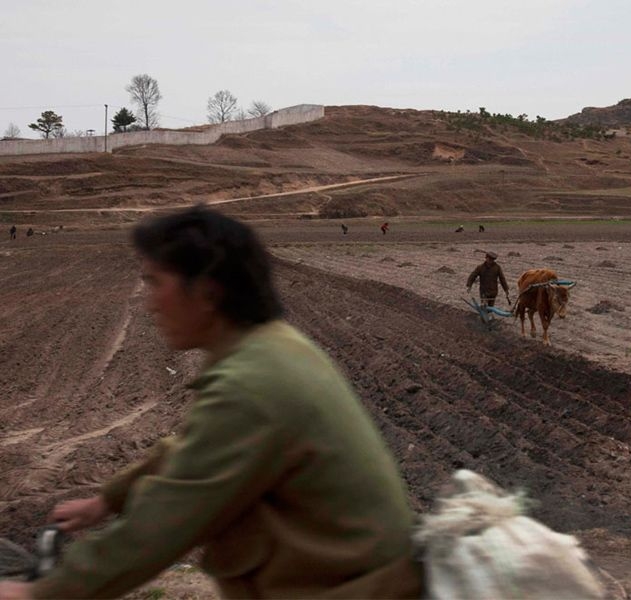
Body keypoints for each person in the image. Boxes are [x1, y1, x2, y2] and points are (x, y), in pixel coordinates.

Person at [0, 206, 421, 600]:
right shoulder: (273, 348)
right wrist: (108, 499)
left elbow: (163, 523)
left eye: (155, 283)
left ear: (207, 292)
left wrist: (41, 594)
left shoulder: (253, 385)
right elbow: (192, 449)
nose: (149, 302)